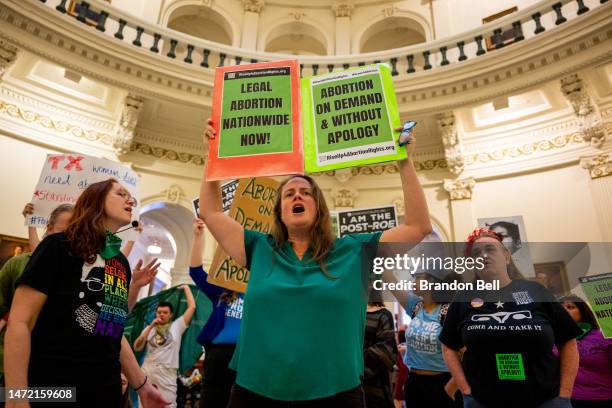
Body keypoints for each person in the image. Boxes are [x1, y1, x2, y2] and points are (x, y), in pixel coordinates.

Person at [199, 118, 431, 406]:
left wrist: (405, 162)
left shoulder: (354, 249)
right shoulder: (258, 247)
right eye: (289, 194)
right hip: (256, 391)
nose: (297, 195)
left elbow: (417, 227)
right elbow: (211, 212)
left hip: (336, 392)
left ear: (318, 207)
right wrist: (213, 157)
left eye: (306, 192)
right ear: (280, 211)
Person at [4, 179, 168, 408]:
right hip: (52, 388)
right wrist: (16, 398)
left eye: (130, 197)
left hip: (103, 391)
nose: (130, 200)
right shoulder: (58, 246)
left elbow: (112, 332)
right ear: (96, 200)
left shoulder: (119, 262)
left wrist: (143, 387)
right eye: (121, 194)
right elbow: (21, 321)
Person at [439, 227, 582, 408]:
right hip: (484, 401)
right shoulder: (463, 298)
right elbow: (448, 347)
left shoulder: (536, 291)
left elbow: (568, 340)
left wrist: (564, 395)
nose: (483, 256)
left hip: (545, 400)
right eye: (476, 253)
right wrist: (465, 390)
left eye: (490, 249)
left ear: (506, 256)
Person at [0, 203, 73, 385]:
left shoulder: (80, 273)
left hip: (54, 369)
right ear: (49, 229)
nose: (68, 238)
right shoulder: (16, 265)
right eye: (64, 231)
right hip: (8, 364)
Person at [188, 218, 243, 408]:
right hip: (218, 355)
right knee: (212, 400)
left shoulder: (259, 294)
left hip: (246, 355)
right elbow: (196, 272)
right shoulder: (222, 291)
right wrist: (198, 236)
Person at [134, 284, 196, 408]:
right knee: (144, 404)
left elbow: (192, 307)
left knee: (169, 405)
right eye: (159, 312)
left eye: (165, 312)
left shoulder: (177, 326)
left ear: (170, 315)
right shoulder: (149, 328)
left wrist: (186, 288)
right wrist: (151, 326)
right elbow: (137, 346)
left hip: (167, 372)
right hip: (148, 369)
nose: (161, 314)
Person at [558, 295, 612, 408]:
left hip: (602, 399)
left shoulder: (604, 336)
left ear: (583, 311)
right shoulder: (552, 339)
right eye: (560, 308)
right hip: (567, 401)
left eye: (570, 307)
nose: (564, 311)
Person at [363, 302, 397, 408]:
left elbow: (385, 351)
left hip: (373, 384)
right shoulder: (345, 310)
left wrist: (354, 366)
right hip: (342, 385)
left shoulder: (383, 315)